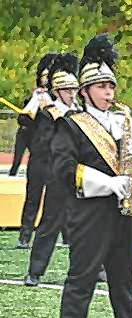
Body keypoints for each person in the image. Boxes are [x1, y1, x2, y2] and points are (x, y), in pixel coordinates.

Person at [51, 34, 132, 318]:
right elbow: (64, 169)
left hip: (124, 210)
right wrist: (109, 183)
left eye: (111, 87)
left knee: (124, 275)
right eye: (101, 87)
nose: (108, 93)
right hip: (90, 209)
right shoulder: (71, 125)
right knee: (82, 274)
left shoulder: (122, 121)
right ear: (86, 91)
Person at [24, 53, 81, 286]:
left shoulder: (80, 110)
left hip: (80, 174)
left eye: (74, 89)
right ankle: (34, 271)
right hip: (59, 175)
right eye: (68, 90)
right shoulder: (49, 113)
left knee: (87, 226)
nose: (72, 94)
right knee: (49, 225)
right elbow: (44, 139)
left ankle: (95, 268)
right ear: (57, 91)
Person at [15, 53, 58, 249]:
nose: (44, 78)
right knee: (33, 197)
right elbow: (23, 121)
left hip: (58, 156)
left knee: (58, 199)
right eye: (43, 74)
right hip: (39, 156)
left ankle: (63, 235)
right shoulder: (34, 99)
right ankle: (24, 235)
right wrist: (35, 101)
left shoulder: (61, 102)